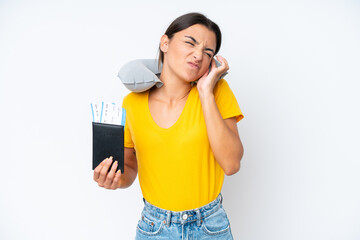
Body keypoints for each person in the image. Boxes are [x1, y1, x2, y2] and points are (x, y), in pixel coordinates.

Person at [93, 12, 244, 239]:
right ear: (165, 42)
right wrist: (114, 179)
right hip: (155, 228)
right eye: (190, 43)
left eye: (207, 52)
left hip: (209, 227)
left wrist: (205, 93)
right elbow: (130, 168)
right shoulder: (132, 103)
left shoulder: (216, 94)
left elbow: (231, 164)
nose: (197, 55)